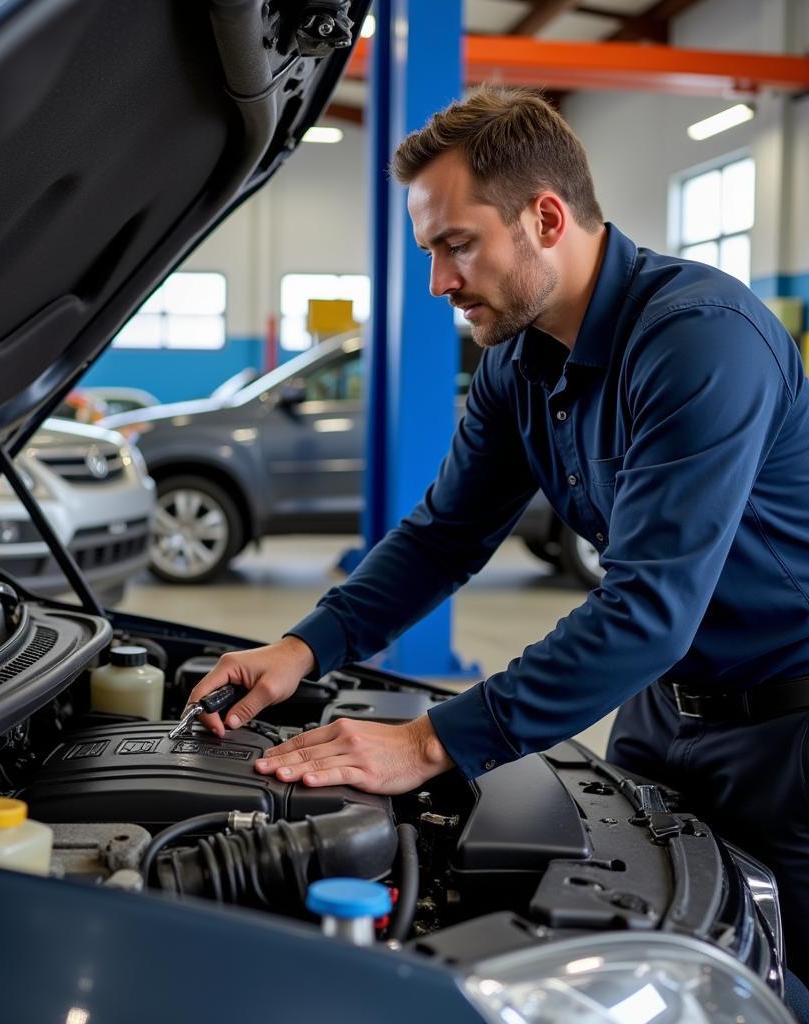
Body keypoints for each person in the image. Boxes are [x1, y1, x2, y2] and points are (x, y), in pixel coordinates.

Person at [186, 85, 809, 971]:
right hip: (660, 712)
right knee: (644, 961)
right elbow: (445, 535)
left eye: (457, 245)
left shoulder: (700, 339)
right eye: (431, 252)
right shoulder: (516, 359)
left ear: (546, 218)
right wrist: (302, 649)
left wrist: (430, 742)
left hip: (788, 734)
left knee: (778, 981)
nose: (440, 282)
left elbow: (648, 609)